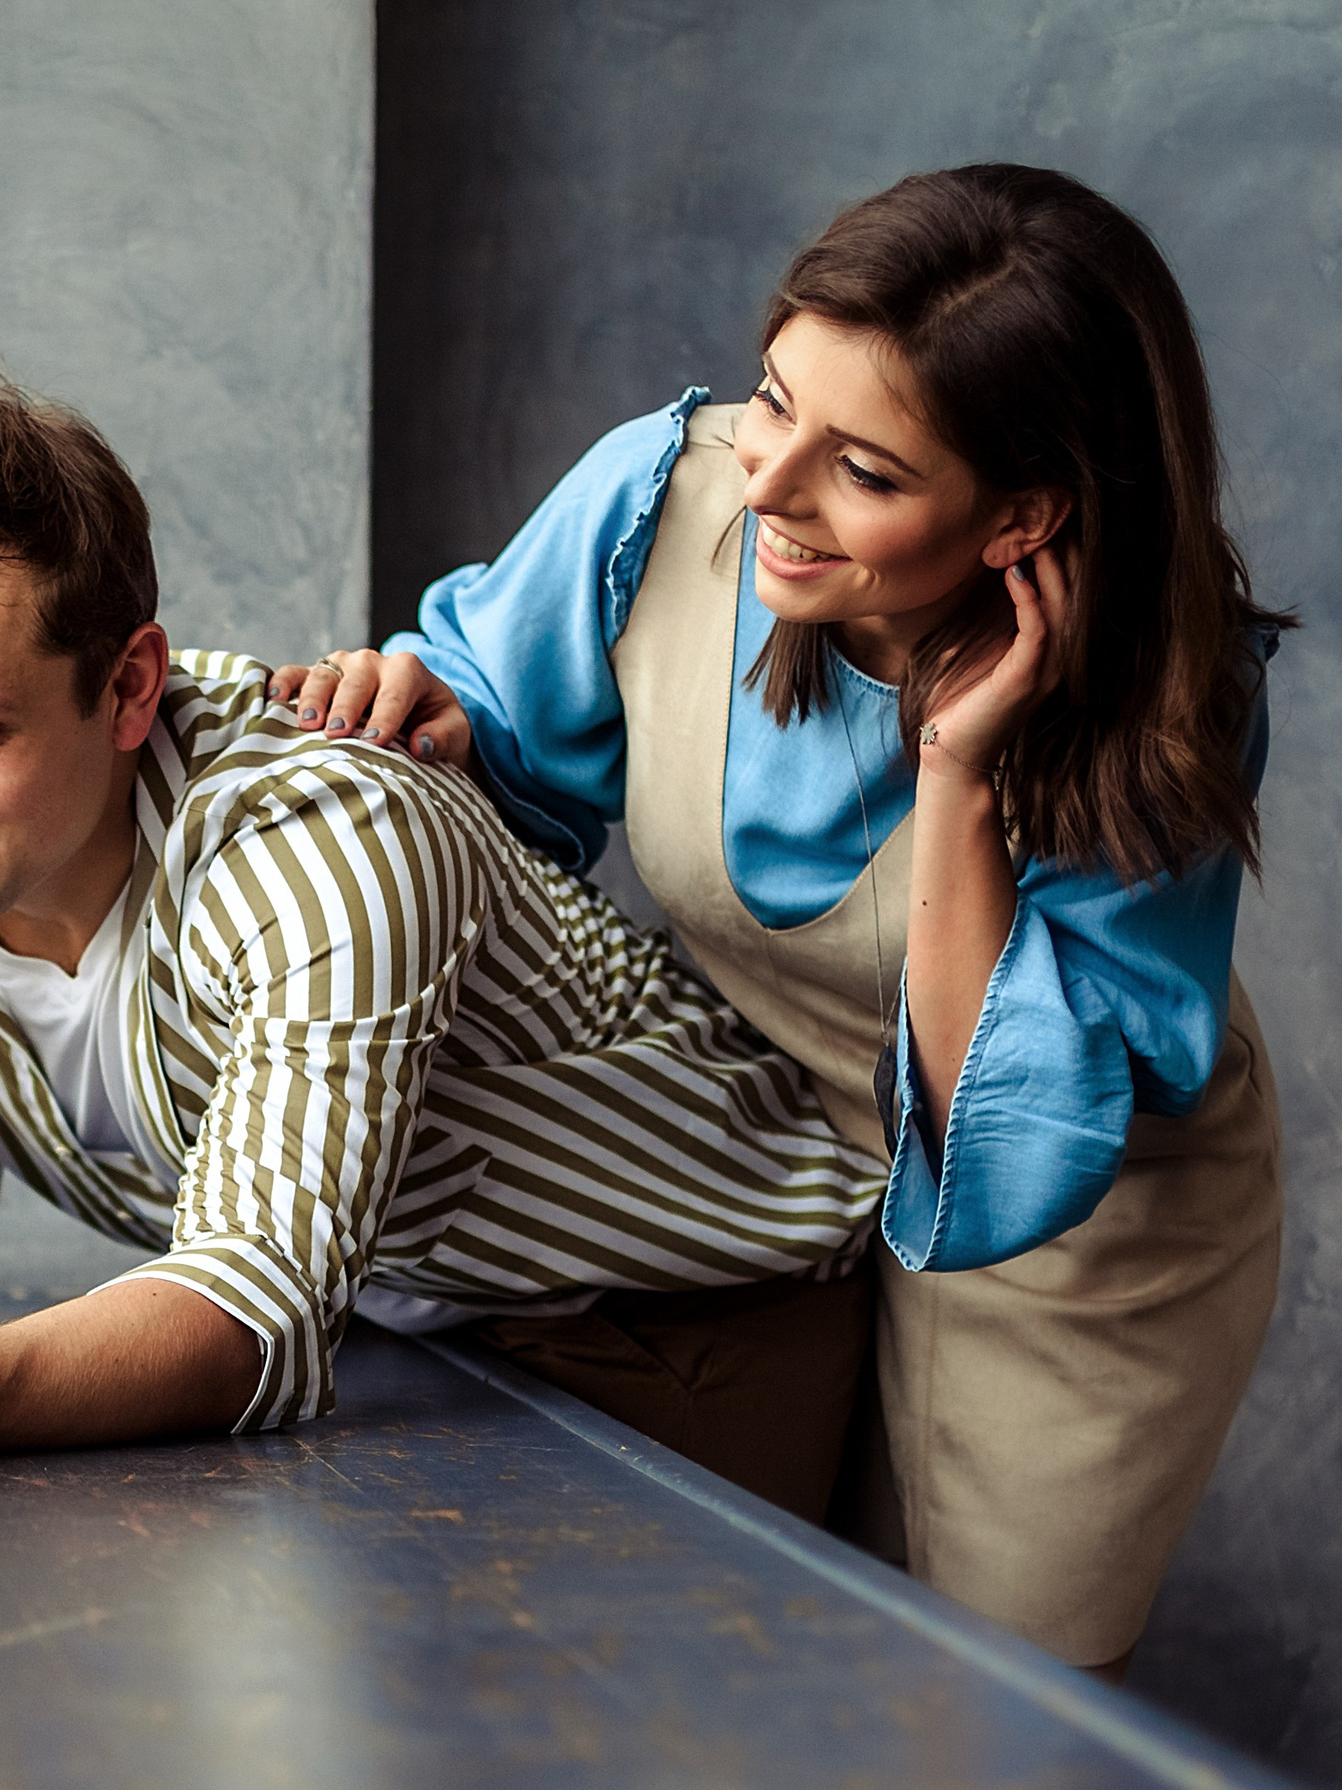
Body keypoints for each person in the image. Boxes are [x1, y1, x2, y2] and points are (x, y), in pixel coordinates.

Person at [277, 164, 1285, 1673]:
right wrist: (422, 714)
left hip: (1080, 1226)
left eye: (862, 470)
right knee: (797, 1664)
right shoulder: (662, 501)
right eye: (772, 399)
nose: (767, 485)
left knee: (993, 1709)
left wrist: (958, 773)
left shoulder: (1160, 689)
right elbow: (494, 724)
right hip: (776, 1163)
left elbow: (1009, 1136)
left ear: (1023, 512)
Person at [0, 378, 895, 1518]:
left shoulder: (327, 836)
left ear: (129, 687)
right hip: (384, 1324)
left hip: (668, 1313)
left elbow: (251, 1312)